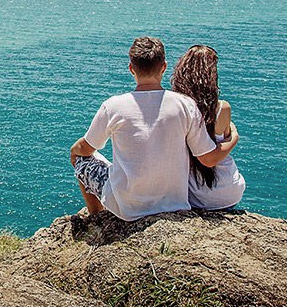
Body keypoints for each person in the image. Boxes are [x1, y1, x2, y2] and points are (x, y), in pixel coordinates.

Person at [70, 36, 238, 219]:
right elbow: (207, 157)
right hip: (175, 205)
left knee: (79, 157)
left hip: (127, 208)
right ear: (164, 67)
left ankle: (96, 216)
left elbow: (85, 149)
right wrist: (233, 138)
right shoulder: (185, 105)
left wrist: (76, 149)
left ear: (131, 69)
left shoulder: (113, 106)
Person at [171, 45, 246, 210]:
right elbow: (223, 140)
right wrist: (234, 138)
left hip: (192, 194)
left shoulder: (174, 108)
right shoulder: (222, 108)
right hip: (228, 189)